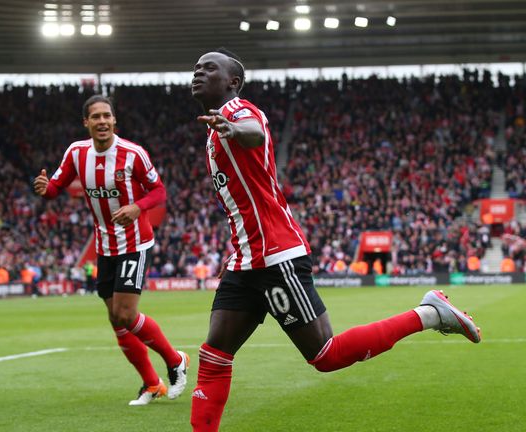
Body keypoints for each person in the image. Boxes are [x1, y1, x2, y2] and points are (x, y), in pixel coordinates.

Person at [189, 48, 482, 431]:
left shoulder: (239, 111)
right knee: (214, 355)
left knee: (324, 355)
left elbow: (254, 131)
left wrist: (232, 128)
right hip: (245, 260)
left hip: (276, 255)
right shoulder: (214, 129)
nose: (198, 72)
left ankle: (428, 314)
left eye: (209, 68)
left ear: (233, 82)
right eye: (196, 68)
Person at [34, 95, 189, 406]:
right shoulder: (77, 153)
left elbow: (159, 191)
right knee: (115, 320)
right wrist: (44, 189)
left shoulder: (133, 154)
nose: (102, 121)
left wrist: (137, 206)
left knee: (126, 314)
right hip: (105, 245)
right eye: (96, 117)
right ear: (86, 123)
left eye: (107, 116)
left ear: (114, 121)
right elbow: (56, 187)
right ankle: (151, 384)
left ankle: (176, 361)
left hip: (134, 242)